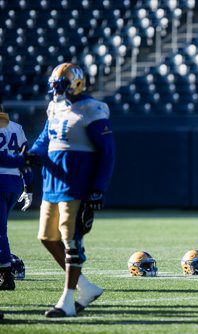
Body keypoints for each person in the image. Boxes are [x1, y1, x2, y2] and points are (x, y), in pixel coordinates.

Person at [29, 63, 116, 317]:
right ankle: (85, 287)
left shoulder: (92, 108)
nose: (58, 91)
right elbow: (46, 137)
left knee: (71, 242)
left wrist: (98, 187)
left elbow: (108, 153)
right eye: (55, 86)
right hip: (52, 181)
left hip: (77, 182)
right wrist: (33, 154)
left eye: (62, 85)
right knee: (46, 237)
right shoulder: (55, 106)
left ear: (77, 84)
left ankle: (67, 302)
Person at [0, 103, 40, 290]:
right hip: (15, 182)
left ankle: (6, 275)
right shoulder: (16, 128)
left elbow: (19, 158)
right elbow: (25, 159)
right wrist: (28, 185)